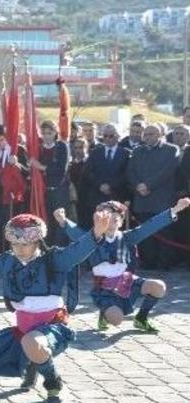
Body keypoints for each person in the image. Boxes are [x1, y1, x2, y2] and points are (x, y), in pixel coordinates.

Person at [0, 211, 110, 403]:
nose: (19, 249)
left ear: (37, 241)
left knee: (32, 343)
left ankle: (53, 381)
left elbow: (77, 251)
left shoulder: (54, 260)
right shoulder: (8, 262)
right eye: (14, 244)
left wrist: (96, 233)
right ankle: (32, 364)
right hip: (23, 328)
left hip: (53, 326)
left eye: (24, 244)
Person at [56, 198, 190, 333]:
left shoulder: (127, 237)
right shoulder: (92, 239)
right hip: (104, 288)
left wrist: (175, 210)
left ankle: (141, 318)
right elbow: (75, 232)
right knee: (117, 319)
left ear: (121, 221)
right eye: (108, 215)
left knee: (159, 287)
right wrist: (63, 220)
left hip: (127, 281)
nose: (113, 218)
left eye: (117, 216)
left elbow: (149, 227)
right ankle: (104, 313)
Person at [126, 125, 182, 270]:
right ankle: (148, 262)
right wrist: (138, 185)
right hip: (142, 199)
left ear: (160, 135)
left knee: (164, 233)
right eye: (145, 134)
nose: (147, 137)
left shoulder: (171, 149)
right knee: (145, 234)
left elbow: (167, 171)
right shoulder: (137, 151)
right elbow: (130, 171)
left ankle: (164, 263)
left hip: (161, 199)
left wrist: (148, 185)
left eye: (151, 134)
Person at [0, 125, 29, 252]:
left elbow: (27, 172)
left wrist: (17, 164)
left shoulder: (18, 150)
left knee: (13, 227)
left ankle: (15, 253)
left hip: (13, 197)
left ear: (8, 138)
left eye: (1, 140)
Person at [80, 124, 130, 230]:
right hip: (97, 197)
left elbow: (127, 174)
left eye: (111, 136)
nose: (107, 139)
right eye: (105, 136)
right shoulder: (96, 152)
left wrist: (111, 186)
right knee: (97, 230)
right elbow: (87, 172)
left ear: (118, 136)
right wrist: (100, 185)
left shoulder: (125, 153)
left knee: (113, 229)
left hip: (116, 197)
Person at [31, 120, 70, 246]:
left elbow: (61, 170)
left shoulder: (61, 146)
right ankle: (48, 248)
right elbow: (32, 170)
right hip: (44, 192)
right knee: (47, 223)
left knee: (60, 222)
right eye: (44, 133)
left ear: (55, 133)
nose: (46, 136)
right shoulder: (39, 148)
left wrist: (41, 167)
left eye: (49, 133)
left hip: (58, 191)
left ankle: (60, 250)